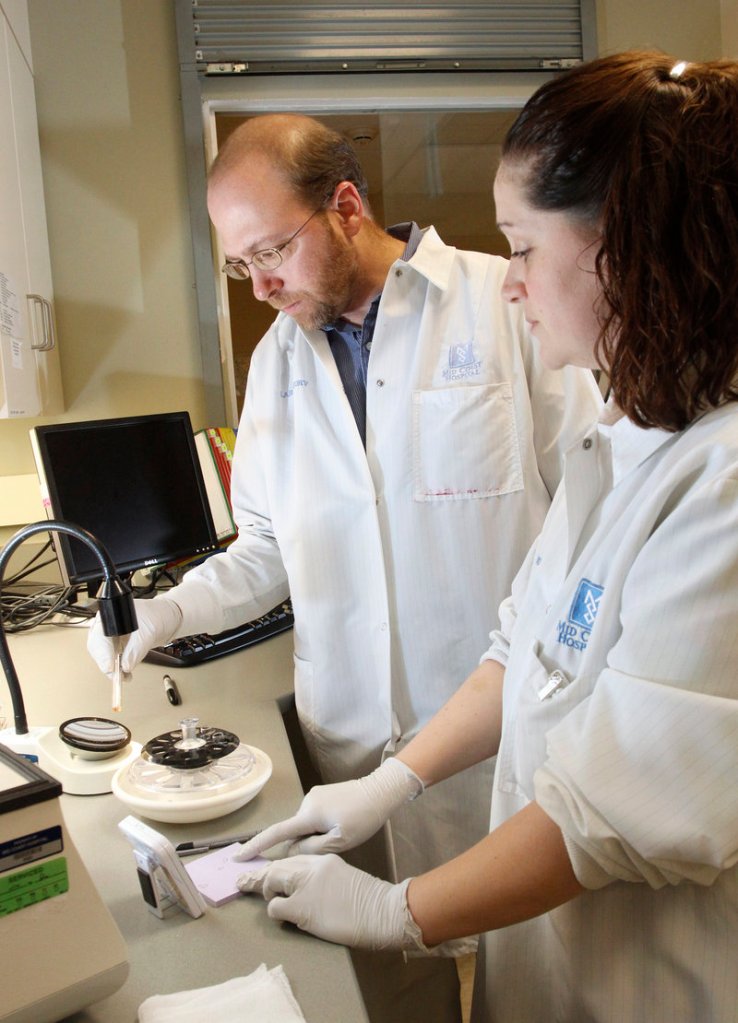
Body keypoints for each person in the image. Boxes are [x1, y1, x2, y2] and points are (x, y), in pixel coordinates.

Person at [235, 53, 738, 1023]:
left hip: (646, 989)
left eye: (522, 246)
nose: (509, 285)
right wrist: (392, 783)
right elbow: (525, 646)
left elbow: (606, 819)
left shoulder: (720, 492)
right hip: (543, 971)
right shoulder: (624, 445)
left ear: (629, 250)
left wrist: (399, 908)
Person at [87, 113, 601, 1021]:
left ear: (347, 207)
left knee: (523, 973)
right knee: (389, 988)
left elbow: (588, 515)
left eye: (273, 249)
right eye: (241, 265)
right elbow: (268, 549)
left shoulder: (504, 302)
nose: (261, 285)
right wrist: (167, 612)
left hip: (491, 736)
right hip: (351, 746)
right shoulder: (275, 361)